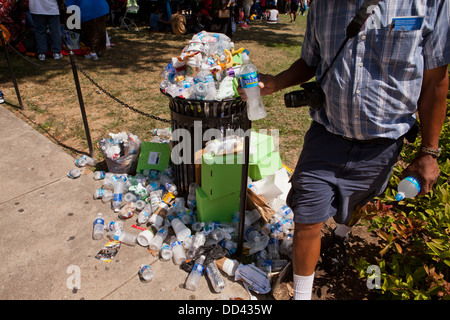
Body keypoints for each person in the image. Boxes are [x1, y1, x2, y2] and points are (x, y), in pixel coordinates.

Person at [239, 0, 449, 300]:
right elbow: (309, 62)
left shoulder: (430, 4)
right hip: (326, 135)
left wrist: (429, 152)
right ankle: (301, 296)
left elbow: (436, 81)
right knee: (307, 218)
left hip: (382, 146)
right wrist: (275, 82)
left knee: (357, 206)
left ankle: (340, 235)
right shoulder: (323, 5)